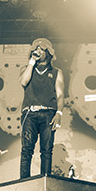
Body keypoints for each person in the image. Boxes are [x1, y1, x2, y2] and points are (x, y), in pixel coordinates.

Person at [19, 38, 65, 178]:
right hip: (29, 113)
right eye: (35, 49)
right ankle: (24, 181)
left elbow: (60, 94)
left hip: (48, 113)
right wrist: (31, 62)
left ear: (48, 52)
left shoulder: (56, 72)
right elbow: (24, 81)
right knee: (26, 150)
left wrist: (59, 113)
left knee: (46, 151)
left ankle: (45, 180)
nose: (38, 51)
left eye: (41, 49)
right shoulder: (26, 69)